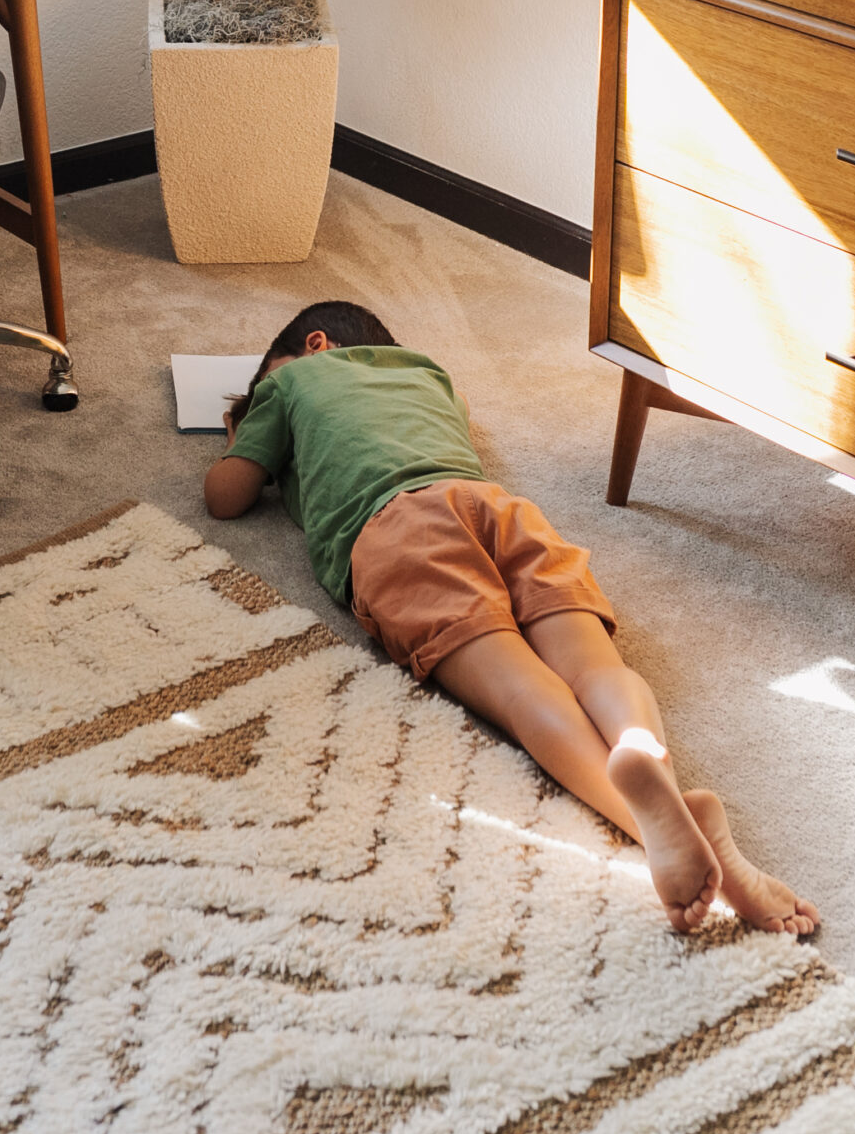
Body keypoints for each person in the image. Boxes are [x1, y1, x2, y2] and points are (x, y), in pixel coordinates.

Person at [204, 301, 817, 938]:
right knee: (596, 668)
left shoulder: (290, 382)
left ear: (317, 345)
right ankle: (648, 761)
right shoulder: (432, 377)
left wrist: (243, 437)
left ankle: (657, 830)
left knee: (521, 687)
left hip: (396, 530)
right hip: (496, 508)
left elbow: (226, 498)